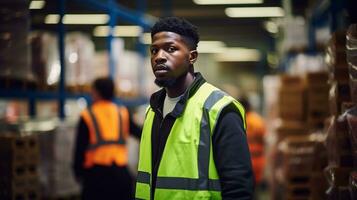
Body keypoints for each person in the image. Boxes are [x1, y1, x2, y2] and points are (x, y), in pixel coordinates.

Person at [135, 17, 254, 200]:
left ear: (192, 56)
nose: (159, 56)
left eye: (171, 49)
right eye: (154, 50)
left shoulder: (219, 109)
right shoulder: (152, 111)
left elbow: (238, 189)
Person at [73, 77, 141, 200]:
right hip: (121, 175)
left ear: (96, 92)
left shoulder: (87, 115)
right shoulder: (122, 112)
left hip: (96, 177)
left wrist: (78, 172)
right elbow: (141, 134)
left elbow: (80, 148)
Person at [240, 97, 266, 188]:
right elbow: (264, 139)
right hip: (258, 159)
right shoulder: (257, 120)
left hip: (245, 161)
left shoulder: (240, 119)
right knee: (255, 188)